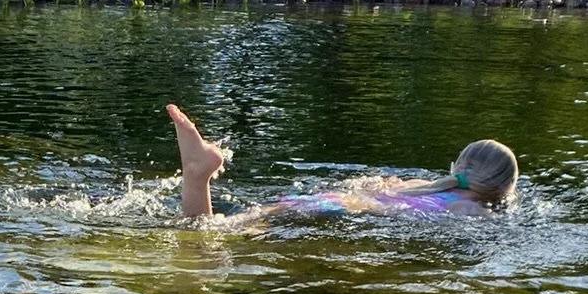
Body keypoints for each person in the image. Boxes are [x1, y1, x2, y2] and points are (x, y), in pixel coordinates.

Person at [166, 104, 518, 222]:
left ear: (458, 164)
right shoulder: (467, 208)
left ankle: (198, 176)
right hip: (342, 213)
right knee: (218, 235)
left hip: (338, 201)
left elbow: (374, 185)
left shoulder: (420, 183)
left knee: (242, 222)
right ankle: (197, 177)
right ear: (503, 186)